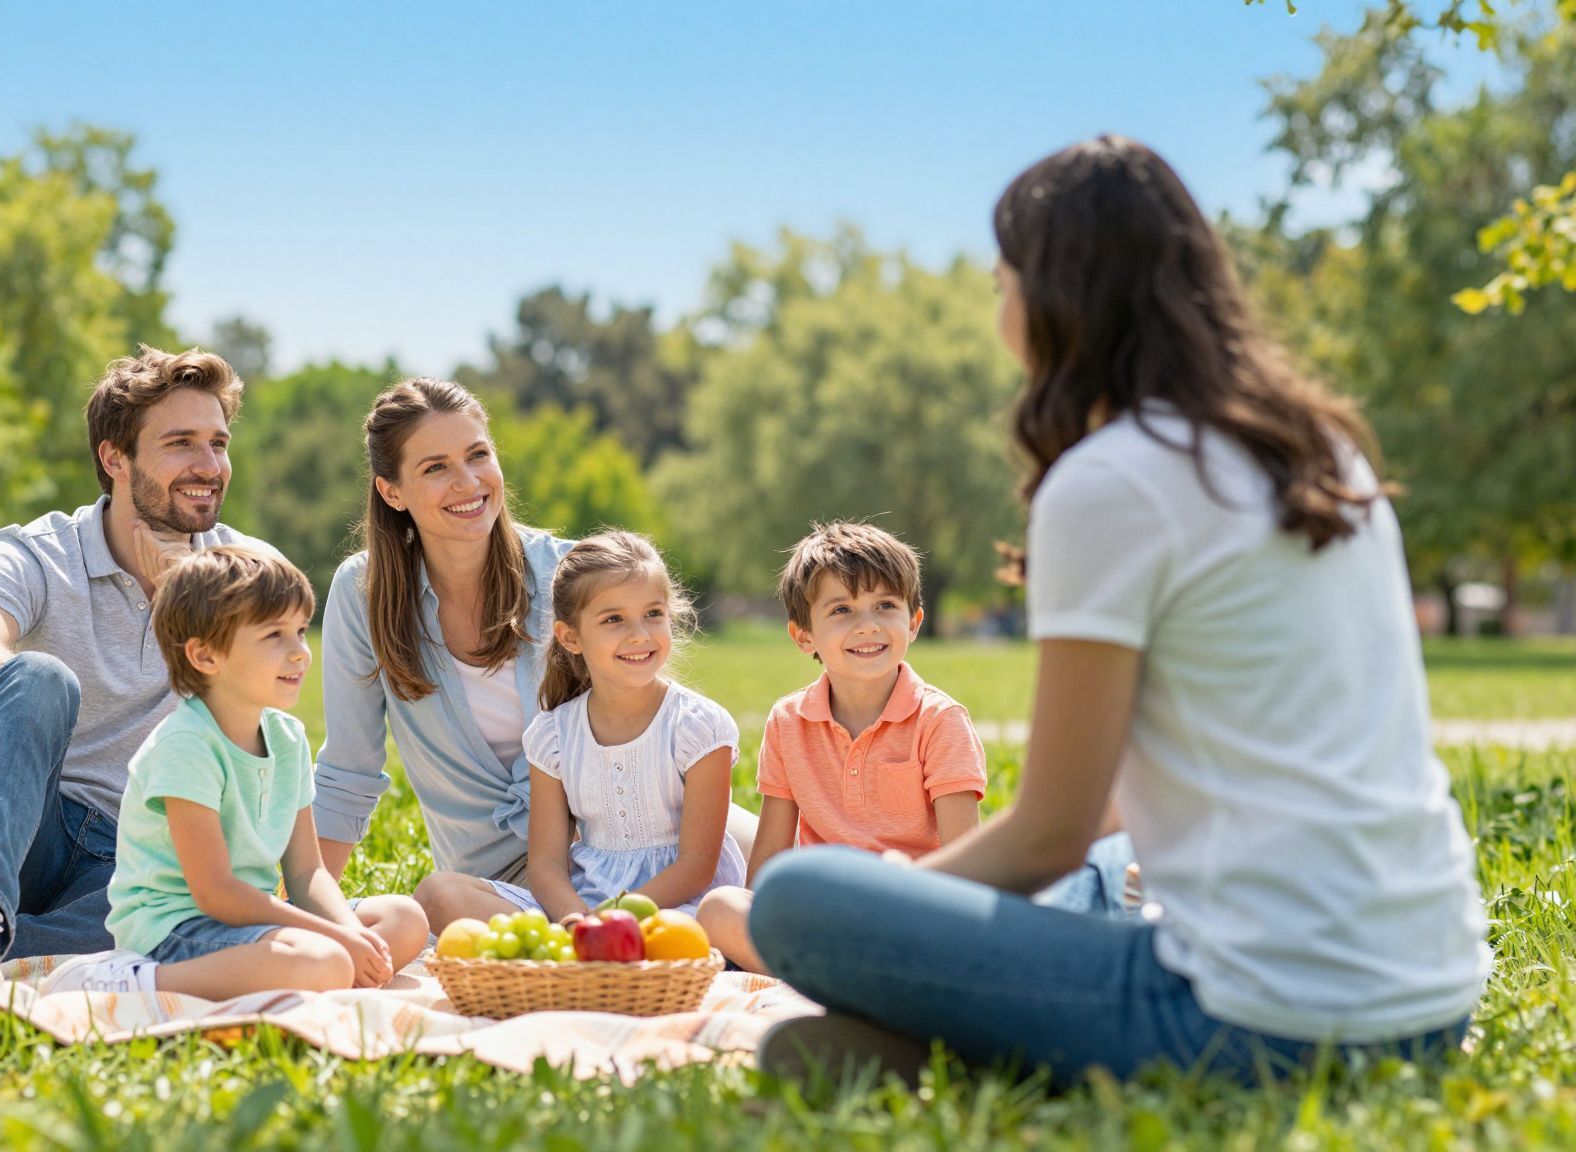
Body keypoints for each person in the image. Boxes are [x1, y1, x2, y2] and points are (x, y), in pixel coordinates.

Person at [752, 136, 1489, 1087]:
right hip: (1432, 993)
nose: (1000, 310)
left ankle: (970, 1045)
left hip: (1256, 1017)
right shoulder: (1318, 449)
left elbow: (1051, 834)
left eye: (1002, 283)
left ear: (1058, 297)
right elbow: (1104, 805)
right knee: (1062, 894)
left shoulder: (1110, 482)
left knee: (799, 900)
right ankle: (966, 1051)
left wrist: (901, 900)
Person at [0, 347, 281, 982]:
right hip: (8, 825)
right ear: (115, 458)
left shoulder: (249, 569)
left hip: (131, 857)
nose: (209, 465)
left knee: (195, 912)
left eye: (218, 444)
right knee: (40, 676)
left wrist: (189, 600)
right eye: (181, 443)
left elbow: (264, 717)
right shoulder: (38, 551)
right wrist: (36, 704)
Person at [312, 379, 757, 889]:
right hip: (502, 875)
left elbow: (654, 705)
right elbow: (349, 771)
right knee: (442, 898)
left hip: (641, 835)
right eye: (436, 467)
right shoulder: (364, 592)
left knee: (789, 870)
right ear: (391, 491)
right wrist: (308, 908)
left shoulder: (569, 574)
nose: (468, 481)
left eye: (478, 455)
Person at [39, 548, 427, 999]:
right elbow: (216, 894)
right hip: (176, 930)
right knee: (324, 961)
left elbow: (307, 872)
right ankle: (131, 983)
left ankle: (301, 974)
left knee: (404, 920)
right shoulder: (186, 745)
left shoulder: (287, 738)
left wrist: (349, 932)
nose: (300, 653)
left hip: (251, 919)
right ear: (205, 655)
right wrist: (336, 941)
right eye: (274, 635)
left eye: (301, 631)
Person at [697, 521, 986, 974]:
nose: (867, 626)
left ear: (913, 622)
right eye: (842, 610)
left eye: (885, 605)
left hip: (912, 913)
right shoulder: (788, 721)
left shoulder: (940, 721)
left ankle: (832, 980)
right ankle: (842, 981)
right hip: (823, 914)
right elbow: (770, 858)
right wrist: (766, 919)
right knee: (719, 909)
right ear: (803, 635)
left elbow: (967, 867)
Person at [415, 531, 745, 928]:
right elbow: (546, 864)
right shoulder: (554, 736)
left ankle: (589, 955)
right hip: (585, 906)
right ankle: (578, 951)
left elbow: (697, 867)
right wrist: (575, 918)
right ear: (570, 637)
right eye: (613, 619)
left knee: (720, 916)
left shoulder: (697, 726)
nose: (640, 634)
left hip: (676, 909)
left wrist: (616, 919)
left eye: (653, 614)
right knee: (438, 894)